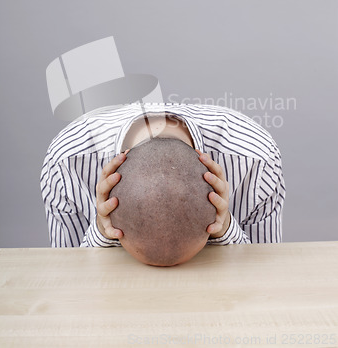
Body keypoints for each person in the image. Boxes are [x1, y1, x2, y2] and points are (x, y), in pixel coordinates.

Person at [40, 103, 285, 265]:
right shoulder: (65, 164)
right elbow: (68, 282)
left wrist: (226, 227)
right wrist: (101, 231)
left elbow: (265, 278)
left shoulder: (257, 161)